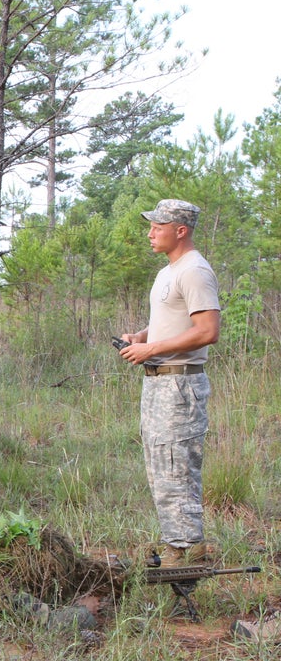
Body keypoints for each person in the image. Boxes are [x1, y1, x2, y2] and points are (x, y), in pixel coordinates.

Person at [117, 199, 220, 567]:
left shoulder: (194, 270)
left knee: (177, 466)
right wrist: (142, 337)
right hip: (159, 384)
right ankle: (176, 544)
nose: (150, 232)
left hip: (180, 385)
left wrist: (153, 348)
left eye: (158, 226)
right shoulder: (169, 271)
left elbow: (208, 331)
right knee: (161, 465)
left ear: (181, 230)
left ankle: (187, 552)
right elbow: (172, 321)